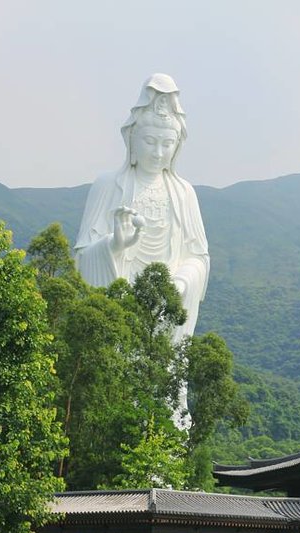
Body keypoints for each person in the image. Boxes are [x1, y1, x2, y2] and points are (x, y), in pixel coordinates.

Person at [74, 73, 210, 345]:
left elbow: (199, 258)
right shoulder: (108, 185)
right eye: (150, 142)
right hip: (119, 309)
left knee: (163, 379)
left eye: (167, 144)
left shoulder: (184, 193)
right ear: (132, 140)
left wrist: (181, 282)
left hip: (167, 310)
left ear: (177, 146)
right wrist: (113, 245)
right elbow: (80, 260)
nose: (159, 152)